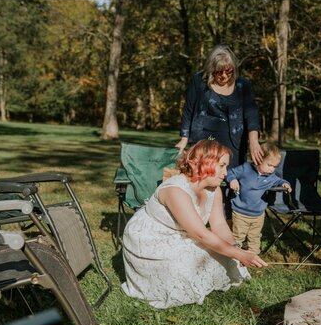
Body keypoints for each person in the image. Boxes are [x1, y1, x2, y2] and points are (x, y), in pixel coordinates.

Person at [121, 140, 268, 309]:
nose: (225, 173)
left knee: (224, 259)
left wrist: (235, 249)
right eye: (221, 165)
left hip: (183, 233)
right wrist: (238, 254)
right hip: (151, 239)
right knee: (185, 270)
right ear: (198, 163)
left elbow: (219, 225)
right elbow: (200, 234)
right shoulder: (175, 190)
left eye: (226, 166)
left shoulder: (214, 188)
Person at [177, 45, 264, 168]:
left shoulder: (243, 85)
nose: (224, 76)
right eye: (219, 71)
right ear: (211, 69)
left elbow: (251, 114)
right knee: (204, 174)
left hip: (234, 140)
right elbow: (188, 110)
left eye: (228, 71)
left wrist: (254, 141)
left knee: (231, 177)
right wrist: (184, 138)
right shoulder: (198, 81)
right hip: (203, 138)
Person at [225, 142, 291, 254]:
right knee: (238, 235)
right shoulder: (246, 169)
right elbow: (230, 172)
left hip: (258, 214)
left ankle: (253, 254)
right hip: (240, 212)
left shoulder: (271, 177)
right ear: (259, 159)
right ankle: (235, 254)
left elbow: (279, 180)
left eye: (275, 167)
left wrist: (285, 183)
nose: (272, 169)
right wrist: (233, 179)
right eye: (269, 165)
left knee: (255, 236)